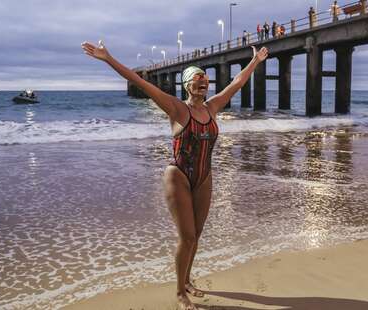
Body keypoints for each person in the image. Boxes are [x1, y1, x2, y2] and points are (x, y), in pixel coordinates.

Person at [81, 40, 268, 310]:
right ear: (187, 85)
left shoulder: (213, 107)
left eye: (205, 78)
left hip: (204, 176)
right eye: (197, 78)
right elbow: (142, 83)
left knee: (198, 233)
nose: (204, 81)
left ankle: (188, 280)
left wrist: (255, 61)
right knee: (187, 236)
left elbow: (237, 83)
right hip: (178, 175)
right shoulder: (177, 109)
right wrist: (108, 58)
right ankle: (181, 293)